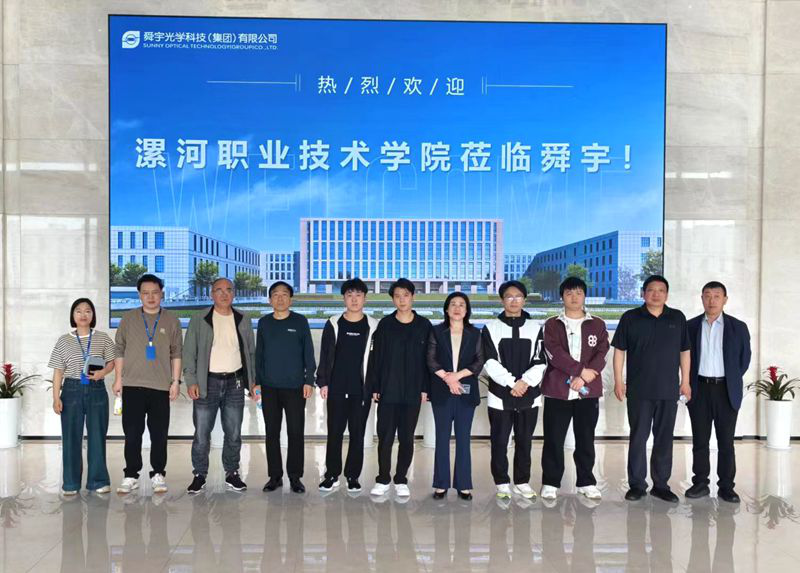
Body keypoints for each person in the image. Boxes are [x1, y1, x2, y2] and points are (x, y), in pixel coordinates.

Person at [613, 275, 691, 503]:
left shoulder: (677, 317)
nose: (656, 294)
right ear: (643, 293)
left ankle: (661, 485)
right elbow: (619, 351)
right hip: (639, 390)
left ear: (667, 294)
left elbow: (684, 351)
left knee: (664, 438)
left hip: (668, 390)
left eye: (661, 290)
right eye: (651, 290)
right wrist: (618, 381)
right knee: (638, 437)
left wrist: (685, 381)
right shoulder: (630, 318)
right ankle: (637, 485)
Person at [183, 277, 257, 494]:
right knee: (202, 433)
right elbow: (189, 353)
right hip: (207, 382)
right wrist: (191, 381)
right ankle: (199, 474)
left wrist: (252, 382)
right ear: (211, 294)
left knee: (233, 432)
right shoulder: (199, 319)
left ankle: (232, 472)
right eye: (219, 290)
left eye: (228, 290)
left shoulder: (243, 318)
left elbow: (250, 353)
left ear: (234, 293)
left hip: (235, 382)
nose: (224, 294)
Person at [539, 277, 609, 501]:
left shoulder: (597, 324)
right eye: (569, 293)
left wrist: (587, 375)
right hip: (558, 391)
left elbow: (602, 352)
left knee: (586, 438)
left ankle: (586, 482)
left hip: (588, 391)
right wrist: (579, 371)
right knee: (553, 439)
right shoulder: (552, 324)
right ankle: (550, 482)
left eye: (578, 292)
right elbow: (554, 353)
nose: (574, 297)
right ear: (562, 297)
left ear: (585, 296)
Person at [113, 274, 182, 494]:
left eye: (155, 292)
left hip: (160, 386)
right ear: (139, 295)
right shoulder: (128, 318)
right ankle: (131, 475)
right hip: (132, 385)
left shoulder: (171, 320)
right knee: (132, 434)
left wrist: (175, 382)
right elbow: (119, 349)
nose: (150, 297)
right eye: (145, 293)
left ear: (162, 293)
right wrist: (118, 378)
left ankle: (158, 473)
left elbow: (176, 353)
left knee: (159, 434)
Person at [685, 281, 752, 503]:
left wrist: (729, 378)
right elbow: (684, 358)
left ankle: (726, 487)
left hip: (726, 390)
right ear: (701, 299)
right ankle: (700, 483)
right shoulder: (691, 326)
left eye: (716, 296)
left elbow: (744, 360)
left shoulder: (738, 327)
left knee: (726, 442)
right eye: (707, 295)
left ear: (725, 299)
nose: (711, 300)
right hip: (699, 389)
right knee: (700, 441)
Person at [481, 280, 547, 500]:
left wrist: (525, 382)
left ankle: (522, 481)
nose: (514, 300)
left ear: (524, 300)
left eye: (518, 296)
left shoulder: (535, 328)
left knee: (525, 440)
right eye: (509, 296)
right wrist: (512, 383)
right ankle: (501, 483)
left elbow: (540, 361)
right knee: (500, 441)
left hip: (529, 395)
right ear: (502, 300)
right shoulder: (491, 328)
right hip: (500, 396)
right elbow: (489, 361)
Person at [367, 278, 432, 498]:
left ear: (413, 297)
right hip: (388, 390)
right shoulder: (385, 325)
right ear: (393, 299)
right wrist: (375, 385)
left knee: (407, 437)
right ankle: (383, 478)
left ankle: (401, 479)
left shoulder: (424, 326)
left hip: (413, 391)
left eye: (405, 295)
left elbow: (429, 360)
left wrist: (425, 388)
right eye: (397, 296)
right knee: (385, 437)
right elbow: (376, 358)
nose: (402, 300)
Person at [48, 298, 117, 495]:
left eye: (88, 311)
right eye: (78, 311)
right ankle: (70, 483)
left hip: (96, 389)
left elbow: (112, 362)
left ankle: (98, 481)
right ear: (73, 315)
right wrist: (56, 398)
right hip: (71, 390)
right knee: (71, 437)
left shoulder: (103, 338)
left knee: (97, 436)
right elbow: (58, 371)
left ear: (93, 315)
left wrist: (103, 373)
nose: (83, 314)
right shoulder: (64, 340)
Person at [316, 278, 378, 493]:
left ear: (365, 298)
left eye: (358, 295)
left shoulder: (373, 325)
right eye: (350, 295)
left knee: (357, 434)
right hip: (336, 388)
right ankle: (332, 475)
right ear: (344, 298)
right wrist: (323, 382)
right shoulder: (334, 323)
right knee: (334, 433)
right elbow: (325, 354)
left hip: (361, 390)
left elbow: (378, 360)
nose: (354, 299)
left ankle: (353, 476)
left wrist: (375, 387)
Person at [254, 281, 316, 494]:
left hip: (295, 387)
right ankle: (275, 476)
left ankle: (295, 477)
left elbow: (308, 353)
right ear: (269, 299)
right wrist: (257, 382)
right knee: (271, 432)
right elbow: (259, 355)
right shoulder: (264, 323)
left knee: (295, 432)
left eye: (284, 294)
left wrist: (309, 380)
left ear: (291, 299)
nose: (280, 298)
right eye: (275, 294)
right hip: (269, 387)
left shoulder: (300, 321)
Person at [426, 291, 484, 500]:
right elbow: (431, 359)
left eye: (461, 304)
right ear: (446, 309)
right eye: (453, 304)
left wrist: (457, 376)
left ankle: (463, 485)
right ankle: (441, 484)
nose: (457, 308)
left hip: (466, 392)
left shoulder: (475, 333)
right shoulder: (436, 331)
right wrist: (448, 378)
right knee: (441, 438)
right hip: (442, 392)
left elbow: (479, 361)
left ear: (467, 310)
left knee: (463, 439)